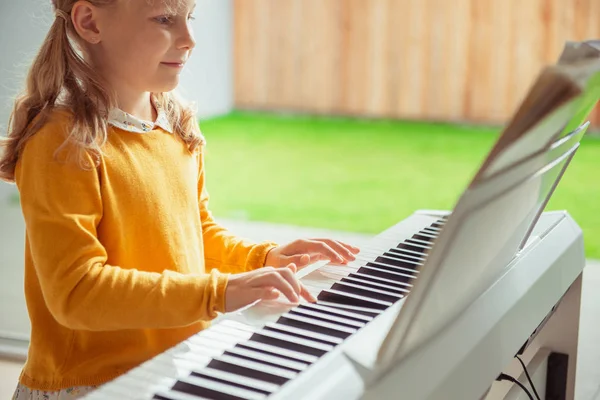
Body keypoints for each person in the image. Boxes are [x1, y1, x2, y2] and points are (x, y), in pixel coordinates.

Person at [0, 0, 360, 398]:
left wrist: (261, 259)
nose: (189, 39)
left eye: (190, 17)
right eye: (164, 19)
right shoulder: (64, 141)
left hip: (173, 367)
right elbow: (78, 292)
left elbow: (196, 233)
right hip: (90, 385)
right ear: (90, 21)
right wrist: (218, 292)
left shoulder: (176, 123)